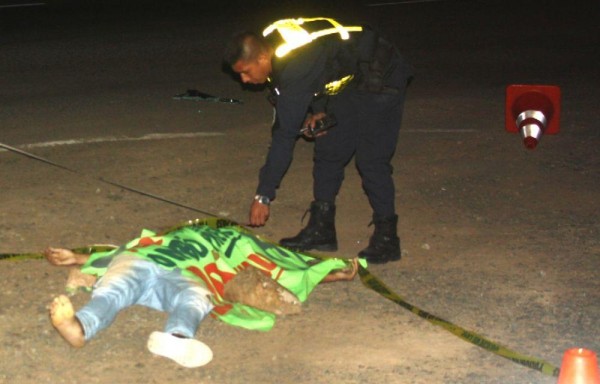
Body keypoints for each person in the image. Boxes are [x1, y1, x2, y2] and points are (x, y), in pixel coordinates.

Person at [223, 17, 412, 264]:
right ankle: (322, 229)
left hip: (382, 71)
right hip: (351, 75)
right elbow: (323, 66)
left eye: (246, 72)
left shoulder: (295, 65)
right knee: (329, 146)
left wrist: (264, 195)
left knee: (371, 159)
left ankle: (388, 238)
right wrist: (318, 108)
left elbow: (284, 135)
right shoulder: (276, 49)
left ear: (261, 59)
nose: (244, 81)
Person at [45, 222, 358, 368]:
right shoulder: (160, 238)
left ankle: (178, 338)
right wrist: (76, 258)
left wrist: (330, 275)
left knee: (197, 297)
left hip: (183, 277)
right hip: (143, 262)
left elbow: (278, 269)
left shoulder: (229, 245)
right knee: (117, 286)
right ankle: (81, 327)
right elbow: (121, 252)